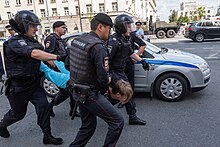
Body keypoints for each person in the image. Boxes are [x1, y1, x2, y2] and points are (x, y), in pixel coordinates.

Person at [0, 10, 64, 145]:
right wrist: (58, 56)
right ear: (23, 25)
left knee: (44, 107)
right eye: (32, 25)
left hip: (33, 84)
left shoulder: (32, 41)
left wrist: (62, 68)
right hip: (18, 87)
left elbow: (43, 57)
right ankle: (1, 125)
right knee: (18, 114)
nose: (36, 29)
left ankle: (47, 136)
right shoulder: (14, 42)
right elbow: (34, 53)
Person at [68, 13, 124, 147]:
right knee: (117, 122)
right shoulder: (98, 47)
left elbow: (67, 63)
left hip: (77, 90)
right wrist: (109, 84)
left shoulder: (77, 40)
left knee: (88, 126)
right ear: (100, 27)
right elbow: (103, 78)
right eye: (109, 29)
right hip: (89, 94)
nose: (109, 32)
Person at [108, 14, 149, 125]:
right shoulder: (114, 41)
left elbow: (131, 53)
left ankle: (132, 116)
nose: (131, 28)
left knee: (127, 93)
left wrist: (141, 60)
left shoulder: (125, 39)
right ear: (121, 26)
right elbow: (106, 60)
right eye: (128, 25)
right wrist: (108, 76)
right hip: (114, 73)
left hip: (121, 71)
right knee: (119, 95)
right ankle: (100, 110)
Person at [40, 61, 132, 104]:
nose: (117, 101)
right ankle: (35, 57)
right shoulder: (105, 83)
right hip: (69, 82)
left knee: (57, 64)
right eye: (119, 100)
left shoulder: (110, 79)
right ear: (118, 94)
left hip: (76, 74)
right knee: (47, 71)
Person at [44, 21, 78, 118]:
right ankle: (50, 106)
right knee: (66, 92)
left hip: (64, 68)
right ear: (56, 28)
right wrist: (56, 69)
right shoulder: (51, 39)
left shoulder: (60, 39)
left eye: (65, 27)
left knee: (71, 90)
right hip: (57, 70)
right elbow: (47, 56)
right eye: (63, 27)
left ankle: (73, 110)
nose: (64, 29)